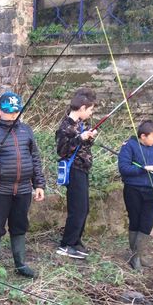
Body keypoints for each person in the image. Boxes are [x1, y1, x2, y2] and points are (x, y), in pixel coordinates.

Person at [0, 92, 45, 278]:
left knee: (20, 225)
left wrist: (39, 184)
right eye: (8, 112)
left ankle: (20, 264)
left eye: (15, 112)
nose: (12, 115)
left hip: (23, 188)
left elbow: (35, 158)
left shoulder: (26, 130)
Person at [118, 120, 153, 271]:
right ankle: (135, 258)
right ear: (143, 136)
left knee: (147, 224)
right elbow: (124, 168)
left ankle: (138, 255)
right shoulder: (129, 146)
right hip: (133, 190)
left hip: (152, 190)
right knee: (135, 222)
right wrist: (145, 168)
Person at [55, 88, 97, 259]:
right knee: (77, 209)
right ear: (82, 107)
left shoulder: (80, 125)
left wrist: (90, 137)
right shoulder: (65, 126)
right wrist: (80, 138)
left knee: (84, 208)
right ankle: (67, 244)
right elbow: (62, 150)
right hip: (74, 170)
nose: (91, 113)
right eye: (90, 109)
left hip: (83, 169)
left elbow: (83, 147)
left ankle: (76, 241)